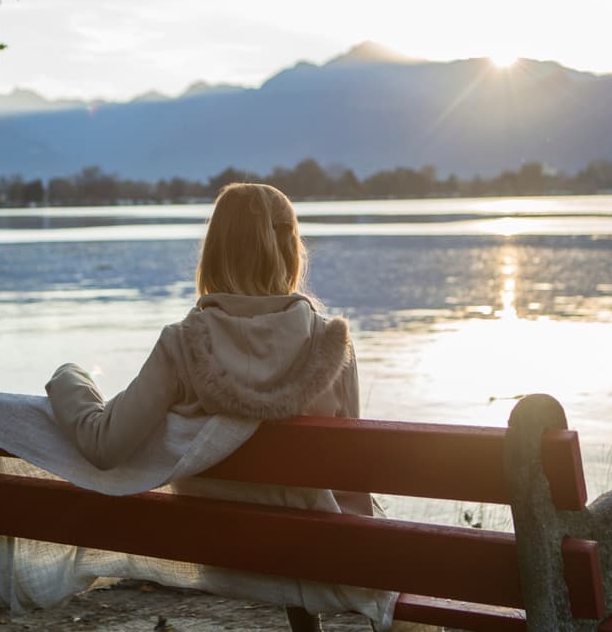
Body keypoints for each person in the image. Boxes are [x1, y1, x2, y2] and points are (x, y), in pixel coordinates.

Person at [44, 182, 376, 630]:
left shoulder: (183, 343)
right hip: (309, 550)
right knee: (303, 501)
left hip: (219, 549)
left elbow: (105, 446)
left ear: (215, 251)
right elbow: (352, 476)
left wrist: (70, 378)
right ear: (290, 250)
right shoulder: (331, 344)